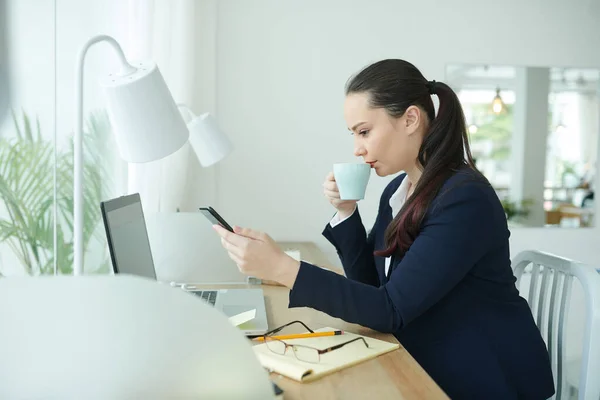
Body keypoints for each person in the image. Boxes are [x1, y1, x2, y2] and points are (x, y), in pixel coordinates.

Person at [212, 59, 555, 399]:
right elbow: (371, 290)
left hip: (482, 376)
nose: (357, 148)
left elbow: (389, 310)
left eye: (364, 131)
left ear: (409, 119)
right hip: (427, 356)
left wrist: (282, 268)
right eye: (354, 134)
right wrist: (346, 213)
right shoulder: (398, 191)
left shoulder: (464, 198)